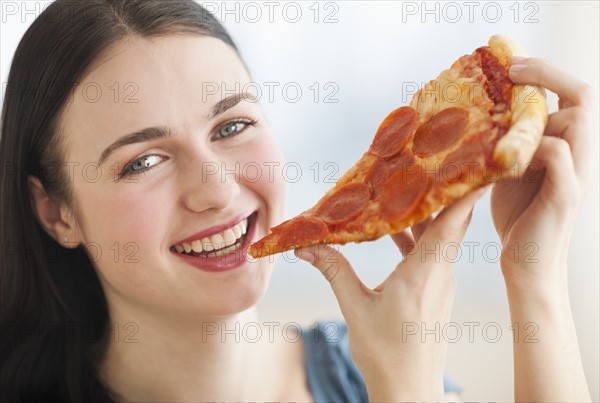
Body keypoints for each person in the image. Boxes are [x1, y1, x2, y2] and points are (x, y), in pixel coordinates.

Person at [0, 0, 593, 401]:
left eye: (231, 126)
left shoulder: (375, 370)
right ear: (57, 214)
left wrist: (533, 277)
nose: (218, 189)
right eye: (143, 162)